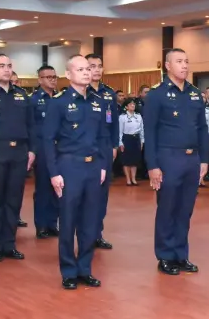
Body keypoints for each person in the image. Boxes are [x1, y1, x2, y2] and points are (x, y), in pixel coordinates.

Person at [44, 55, 107, 290]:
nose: (86, 72)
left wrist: (102, 165)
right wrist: (54, 172)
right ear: (69, 75)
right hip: (69, 166)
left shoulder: (98, 102)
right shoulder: (58, 102)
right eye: (80, 69)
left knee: (90, 220)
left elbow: (103, 137)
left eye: (88, 68)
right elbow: (48, 140)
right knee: (69, 220)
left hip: (93, 166)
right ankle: (69, 271)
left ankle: (85, 269)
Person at [144, 48, 208, 276]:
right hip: (168, 157)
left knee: (185, 210)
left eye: (186, 61)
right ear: (167, 66)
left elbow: (202, 128)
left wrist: (204, 159)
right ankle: (165, 255)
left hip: (192, 158)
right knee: (168, 208)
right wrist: (152, 165)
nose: (184, 65)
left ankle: (181, 254)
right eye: (179, 61)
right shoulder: (157, 94)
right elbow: (149, 132)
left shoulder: (194, 93)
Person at [0, 54, 35, 263]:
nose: (6, 69)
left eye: (9, 66)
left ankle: (9, 243)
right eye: (1, 66)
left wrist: (32, 150)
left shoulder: (21, 95)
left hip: (19, 152)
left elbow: (31, 125)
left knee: (14, 200)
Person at [86, 53, 118, 250]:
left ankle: (97, 234)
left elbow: (113, 122)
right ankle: (85, 235)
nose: (96, 70)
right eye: (92, 66)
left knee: (102, 193)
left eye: (99, 66)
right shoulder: (82, 92)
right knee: (88, 193)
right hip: (87, 146)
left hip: (105, 145)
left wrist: (114, 145)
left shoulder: (109, 93)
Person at [30, 65, 59, 239]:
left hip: (59, 148)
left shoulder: (60, 98)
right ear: (40, 80)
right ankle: (41, 225)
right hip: (42, 148)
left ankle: (52, 223)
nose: (52, 80)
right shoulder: (34, 100)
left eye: (54, 77)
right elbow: (31, 127)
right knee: (42, 188)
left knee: (57, 187)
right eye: (48, 77)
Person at [118, 98, 144, 186]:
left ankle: (133, 179)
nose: (133, 105)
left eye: (133, 104)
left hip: (136, 138)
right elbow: (120, 131)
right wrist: (120, 142)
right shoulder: (122, 117)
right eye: (130, 104)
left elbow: (142, 130)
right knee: (126, 160)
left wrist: (142, 140)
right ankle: (128, 179)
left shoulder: (138, 116)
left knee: (135, 160)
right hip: (127, 139)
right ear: (126, 107)